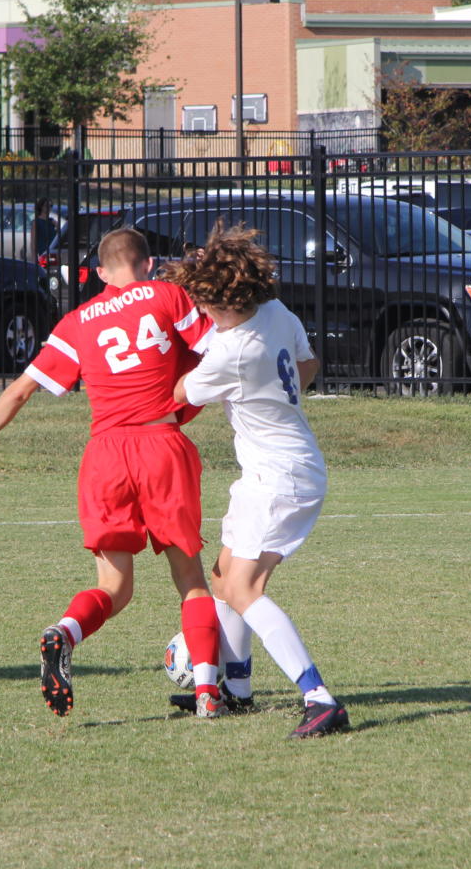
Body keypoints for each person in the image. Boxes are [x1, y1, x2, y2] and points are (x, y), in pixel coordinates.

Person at [0, 227, 229, 718]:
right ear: (148, 263)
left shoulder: (76, 321)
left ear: (99, 273)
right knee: (192, 581)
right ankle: (207, 695)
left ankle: (64, 632)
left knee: (115, 590)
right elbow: (219, 345)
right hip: (159, 445)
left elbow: (20, 389)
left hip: (105, 456)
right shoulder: (167, 294)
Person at [161, 223, 350, 738]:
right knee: (223, 575)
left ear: (216, 303)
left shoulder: (230, 352)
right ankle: (237, 690)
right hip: (279, 465)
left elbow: (181, 391)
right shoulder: (275, 313)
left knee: (243, 588)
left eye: (201, 303)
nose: (198, 311)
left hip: (280, 475)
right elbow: (308, 366)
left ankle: (319, 697)